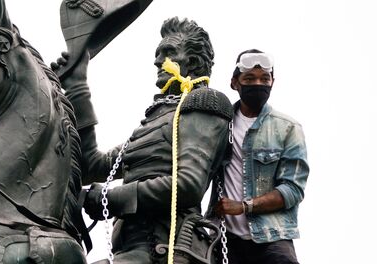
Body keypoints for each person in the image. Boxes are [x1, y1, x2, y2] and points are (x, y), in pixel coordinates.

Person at [53, 17, 233, 263]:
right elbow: (92, 167)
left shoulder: (204, 103)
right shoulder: (157, 117)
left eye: (168, 52)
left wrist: (109, 199)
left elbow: (188, 185)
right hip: (130, 249)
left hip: (164, 248)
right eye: (158, 53)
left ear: (191, 61)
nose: (158, 61)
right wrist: (77, 85)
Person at [207, 49, 310, 264]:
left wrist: (244, 206)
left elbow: (292, 190)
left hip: (272, 238)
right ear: (235, 83)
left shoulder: (288, 128)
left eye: (265, 79)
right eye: (250, 78)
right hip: (223, 238)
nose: (258, 84)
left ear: (272, 82)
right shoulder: (217, 126)